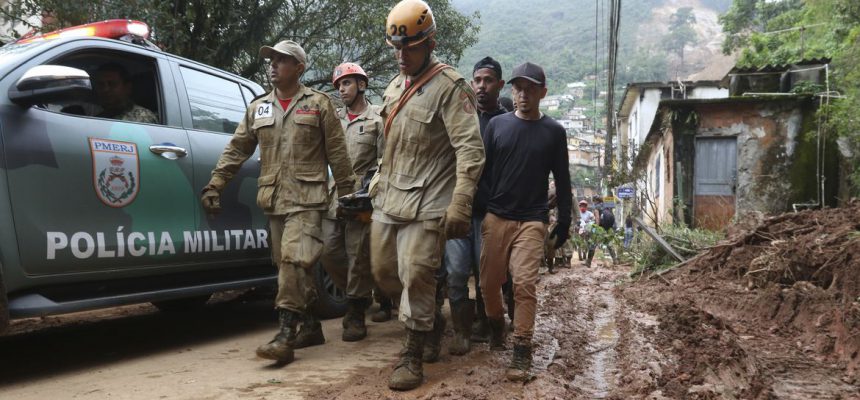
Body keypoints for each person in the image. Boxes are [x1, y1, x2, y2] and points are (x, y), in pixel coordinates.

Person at [201, 40, 354, 365]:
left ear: (299, 68)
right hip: (275, 201)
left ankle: (285, 334)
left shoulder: (318, 104)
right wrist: (216, 183)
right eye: (270, 60)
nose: (272, 65)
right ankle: (311, 326)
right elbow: (237, 148)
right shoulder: (259, 108)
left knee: (293, 261)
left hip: (309, 200)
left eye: (281, 60)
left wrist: (348, 196)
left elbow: (338, 153)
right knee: (290, 265)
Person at [371, 0, 485, 390]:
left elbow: (471, 151)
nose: (402, 55)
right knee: (386, 274)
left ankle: (412, 353)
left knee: (416, 273)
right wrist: (374, 183)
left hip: (431, 200)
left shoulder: (451, 87)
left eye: (410, 47)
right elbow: (389, 145)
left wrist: (460, 203)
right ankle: (432, 318)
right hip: (390, 197)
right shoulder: (392, 87)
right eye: (397, 48)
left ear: (430, 43)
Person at [479, 62, 572, 381]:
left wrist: (564, 223)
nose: (523, 94)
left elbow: (563, 179)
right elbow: (484, 172)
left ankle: (521, 348)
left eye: (530, 89)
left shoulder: (554, 132)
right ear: (512, 91)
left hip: (533, 220)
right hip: (496, 217)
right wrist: (485, 205)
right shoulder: (497, 126)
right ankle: (496, 325)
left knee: (524, 283)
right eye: (518, 88)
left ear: (542, 93)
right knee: (489, 285)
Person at [440, 56, 506, 357]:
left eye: (488, 80)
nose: (481, 86)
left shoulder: (507, 124)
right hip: (459, 208)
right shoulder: (461, 118)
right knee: (454, 272)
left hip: (490, 212)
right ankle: (462, 332)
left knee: (486, 276)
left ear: (499, 85)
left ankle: (487, 323)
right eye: (477, 80)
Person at [319, 62, 384, 342]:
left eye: (346, 83)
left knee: (358, 254)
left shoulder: (377, 119)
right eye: (339, 85)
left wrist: (373, 191)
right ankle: (359, 292)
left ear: (361, 85)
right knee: (329, 251)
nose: (342, 89)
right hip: (334, 195)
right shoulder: (333, 120)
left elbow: (384, 161)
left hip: (361, 198)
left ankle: (356, 312)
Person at [92, 63, 157, 123]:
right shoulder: (99, 118)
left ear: (127, 88)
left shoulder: (142, 118)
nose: (105, 89)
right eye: (100, 84)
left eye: (112, 84)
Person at [578, 199, 597, 267]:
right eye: (581, 206)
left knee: (590, 245)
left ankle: (588, 261)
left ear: (586, 207)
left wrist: (589, 225)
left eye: (584, 206)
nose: (582, 207)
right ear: (579, 207)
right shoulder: (578, 213)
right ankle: (583, 257)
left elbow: (594, 221)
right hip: (580, 231)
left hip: (588, 231)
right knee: (581, 244)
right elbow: (576, 221)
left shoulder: (590, 214)